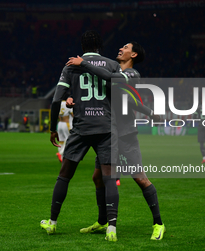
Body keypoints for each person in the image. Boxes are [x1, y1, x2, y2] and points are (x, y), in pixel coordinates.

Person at [66, 41, 165, 240]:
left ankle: (158, 224)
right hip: (107, 134)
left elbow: (126, 97)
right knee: (97, 177)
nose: (120, 49)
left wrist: (83, 63)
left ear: (134, 55)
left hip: (125, 134)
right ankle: (103, 221)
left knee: (140, 178)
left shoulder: (131, 75)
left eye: (126, 47)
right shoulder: (114, 73)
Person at [40, 30, 121, 242]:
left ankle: (53, 222)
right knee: (109, 178)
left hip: (82, 127)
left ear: (83, 46)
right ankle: (111, 227)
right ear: (99, 46)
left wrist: (52, 128)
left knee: (64, 175)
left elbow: (55, 100)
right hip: (106, 127)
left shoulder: (71, 65)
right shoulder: (113, 65)